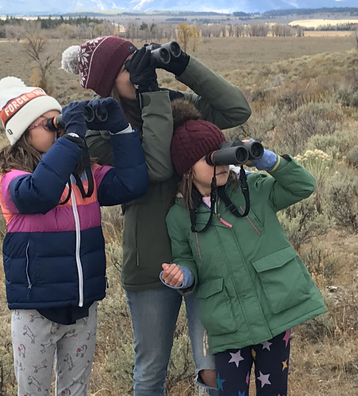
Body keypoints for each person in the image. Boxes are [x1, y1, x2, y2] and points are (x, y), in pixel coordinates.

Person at [61, 36, 252, 395]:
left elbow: (236, 110)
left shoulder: (173, 103)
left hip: (207, 252)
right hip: (152, 260)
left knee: (214, 367)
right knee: (150, 371)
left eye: (139, 59)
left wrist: (182, 66)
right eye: (126, 67)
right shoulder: (100, 132)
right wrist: (149, 93)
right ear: (108, 82)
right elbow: (158, 167)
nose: (138, 69)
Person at [0, 77, 148, 396]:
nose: (57, 128)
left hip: (82, 304)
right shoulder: (9, 178)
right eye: (49, 124)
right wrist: (71, 137)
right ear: (24, 132)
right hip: (36, 308)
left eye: (58, 120)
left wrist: (121, 129)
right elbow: (40, 192)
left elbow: (132, 184)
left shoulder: (82, 172)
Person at [162, 100, 327, 396]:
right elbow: (186, 259)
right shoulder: (179, 215)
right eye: (210, 160)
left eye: (223, 156)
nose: (221, 165)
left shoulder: (254, 190)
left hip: (273, 313)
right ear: (187, 169)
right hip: (228, 325)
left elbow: (303, 186)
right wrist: (182, 276)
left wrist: (267, 160)